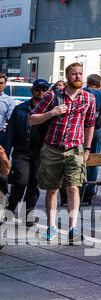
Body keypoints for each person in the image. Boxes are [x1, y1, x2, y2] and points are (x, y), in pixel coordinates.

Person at [29, 63, 96, 244]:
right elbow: (32, 119)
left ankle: (73, 229)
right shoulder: (53, 95)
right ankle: (51, 227)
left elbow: (90, 124)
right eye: (74, 74)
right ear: (67, 76)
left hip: (75, 149)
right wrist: (52, 112)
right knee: (52, 189)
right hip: (52, 148)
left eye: (81, 73)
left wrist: (87, 149)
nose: (78, 76)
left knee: (73, 187)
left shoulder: (89, 98)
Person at [3, 79, 49, 227]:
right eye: (38, 89)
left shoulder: (48, 111)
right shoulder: (20, 109)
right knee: (20, 182)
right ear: (32, 90)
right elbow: (10, 133)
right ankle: (10, 209)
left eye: (44, 89)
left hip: (39, 153)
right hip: (21, 152)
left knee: (34, 184)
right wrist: (6, 155)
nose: (40, 92)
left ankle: (28, 215)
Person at [83, 74, 101, 204]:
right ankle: (91, 187)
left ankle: (80, 187)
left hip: (82, 130)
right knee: (94, 159)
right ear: (99, 83)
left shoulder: (82, 93)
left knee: (80, 157)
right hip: (98, 129)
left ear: (87, 82)